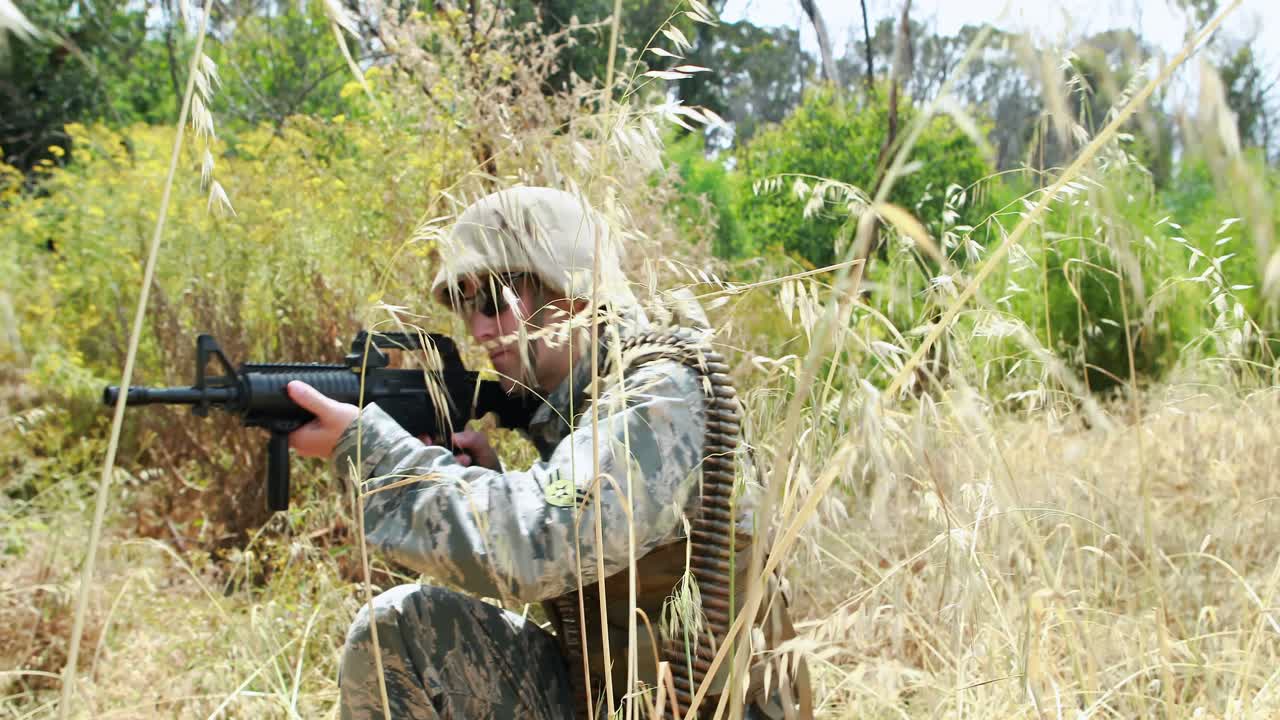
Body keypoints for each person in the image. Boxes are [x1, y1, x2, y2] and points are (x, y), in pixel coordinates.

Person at [286, 187, 809, 719]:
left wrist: (376, 452)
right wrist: (492, 480)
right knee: (402, 633)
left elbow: (537, 543)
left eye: (494, 299)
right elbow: (574, 520)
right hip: (615, 699)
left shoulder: (661, 393)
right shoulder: (580, 408)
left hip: (708, 707)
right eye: (467, 306)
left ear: (568, 288)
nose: (479, 328)